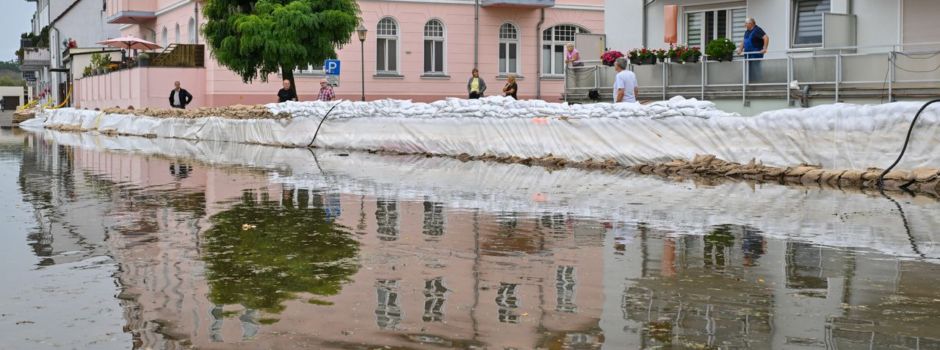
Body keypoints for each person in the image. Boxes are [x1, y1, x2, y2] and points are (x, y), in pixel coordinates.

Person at [737, 17, 769, 83]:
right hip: (747, 54)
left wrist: (764, 48)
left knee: (755, 68)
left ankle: (757, 82)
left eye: (746, 23)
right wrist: (740, 49)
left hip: (755, 53)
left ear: (751, 24)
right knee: (748, 69)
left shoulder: (757, 30)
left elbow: (766, 37)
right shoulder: (747, 31)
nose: (744, 25)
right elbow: (744, 41)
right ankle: (749, 83)